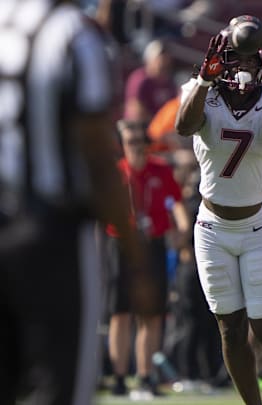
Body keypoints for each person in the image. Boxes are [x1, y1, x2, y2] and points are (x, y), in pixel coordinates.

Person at [0, 1, 149, 404]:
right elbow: (100, 156)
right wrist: (135, 256)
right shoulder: (72, 34)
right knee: (60, 388)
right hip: (50, 232)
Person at [174, 15, 262, 405]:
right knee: (230, 330)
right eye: (237, 58)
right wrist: (202, 80)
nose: (245, 67)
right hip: (212, 227)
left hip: (254, 227)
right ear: (222, 58)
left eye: (252, 60)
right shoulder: (203, 91)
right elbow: (185, 127)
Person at [105, 120, 190, 398]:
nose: (137, 147)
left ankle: (146, 376)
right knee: (120, 313)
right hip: (121, 243)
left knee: (151, 315)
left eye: (141, 141)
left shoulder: (160, 170)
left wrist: (182, 229)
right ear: (123, 145)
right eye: (131, 142)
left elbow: (175, 201)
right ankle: (118, 377)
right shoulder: (117, 173)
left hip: (152, 243)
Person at [124, 38, 178, 123]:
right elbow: (136, 110)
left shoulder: (169, 82)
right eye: (159, 56)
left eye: (165, 56)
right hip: (140, 128)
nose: (163, 60)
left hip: (162, 130)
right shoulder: (140, 79)